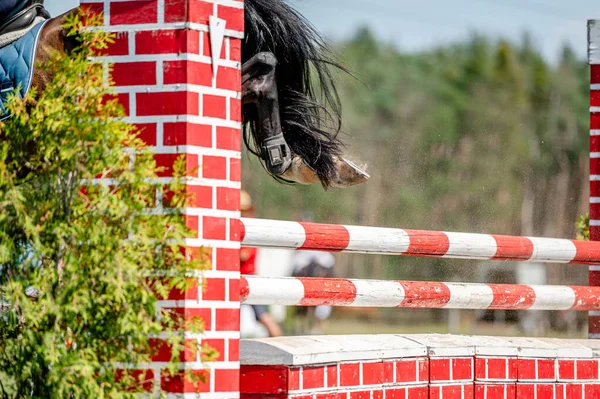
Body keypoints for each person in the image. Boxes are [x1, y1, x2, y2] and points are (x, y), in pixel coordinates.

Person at [240, 190, 282, 337]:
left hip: (248, 278)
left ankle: (279, 342)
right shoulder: (245, 225)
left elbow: (244, 255)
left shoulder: (249, 227)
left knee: (263, 317)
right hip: (242, 277)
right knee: (262, 317)